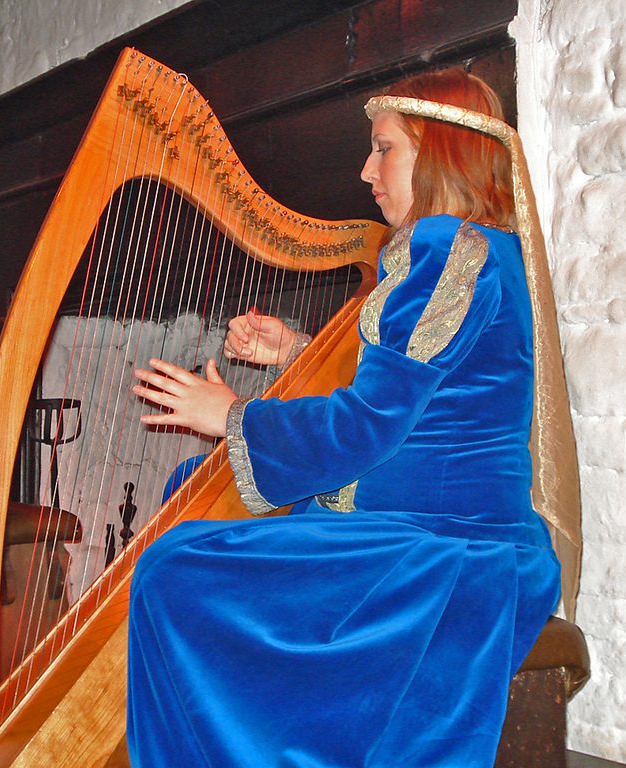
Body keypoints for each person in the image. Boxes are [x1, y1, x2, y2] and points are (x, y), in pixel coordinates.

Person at [128, 68, 562, 767]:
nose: (367, 170)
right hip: (417, 517)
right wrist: (295, 350)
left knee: (174, 567)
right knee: (191, 487)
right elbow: (431, 388)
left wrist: (230, 415)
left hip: (447, 540)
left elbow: (367, 427)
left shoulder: (449, 247)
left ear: (442, 150)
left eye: (384, 148)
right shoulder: (473, 249)